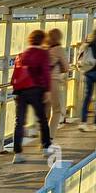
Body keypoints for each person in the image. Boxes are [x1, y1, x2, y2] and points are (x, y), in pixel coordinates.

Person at [11, 29, 52, 162]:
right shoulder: (42, 54)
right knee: (42, 119)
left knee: (19, 122)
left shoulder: (22, 54)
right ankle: (46, 147)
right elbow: (46, 72)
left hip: (20, 91)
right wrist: (47, 90)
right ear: (42, 40)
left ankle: (17, 153)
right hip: (36, 90)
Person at [44, 28, 70, 132]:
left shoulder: (45, 49)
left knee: (46, 111)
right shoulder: (59, 49)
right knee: (56, 110)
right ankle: (49, 138)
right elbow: (66, 67)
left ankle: (43, 135)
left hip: (42, 82)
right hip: (53, 81)